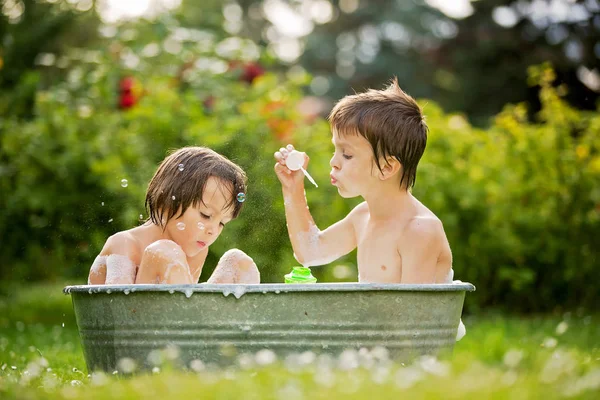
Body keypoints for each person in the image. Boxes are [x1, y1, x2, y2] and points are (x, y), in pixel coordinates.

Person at [275, 79, 466, 339]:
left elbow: (413, 327)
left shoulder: (419, 230)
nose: (333, 162)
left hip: (409, 352)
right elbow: (310, 251)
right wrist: (293, 188)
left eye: (347, 154)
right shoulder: (363, 217)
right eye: (335, 150)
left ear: (387, 167)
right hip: (374, 341)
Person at [88, 146, 260, 285]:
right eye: (206, 215)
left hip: (175, 325)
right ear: (167, 201)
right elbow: (119, 317)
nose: (213, 230)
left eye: (222, 223)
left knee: (237, 262)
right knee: (164, 252)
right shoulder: (124, 244)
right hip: (133, 323)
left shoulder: (196, 252)